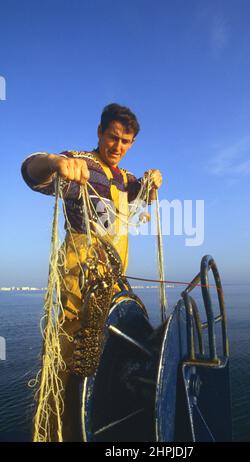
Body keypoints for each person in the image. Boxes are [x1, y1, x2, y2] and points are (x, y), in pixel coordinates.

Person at [21, 103, 162, 441]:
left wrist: (153, 182)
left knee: (107, 353)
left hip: (112, 283)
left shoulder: (126, 180)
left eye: (126, 141)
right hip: (80, 281)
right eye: (113, 137)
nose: (118, 146)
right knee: (72, 353)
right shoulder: (80, 163)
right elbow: (30, 171)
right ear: (100, 133)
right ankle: (61, 430)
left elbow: (144, 200)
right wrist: (55, 163)